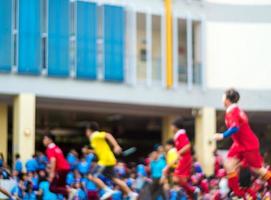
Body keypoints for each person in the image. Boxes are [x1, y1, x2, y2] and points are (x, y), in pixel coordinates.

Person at [214, 88, 271, 197]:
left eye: (223, 96)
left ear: (227, 99)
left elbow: (235, 128)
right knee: (228, 164)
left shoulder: (232, 111)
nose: (222, 99)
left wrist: (222, 135)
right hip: (240, 144)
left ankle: (238, 193)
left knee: (257, 169)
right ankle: (238, 193)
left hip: (248, 145)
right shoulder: (235, 110)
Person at [86, 121, 138, 200]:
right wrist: (89, 151)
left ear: (90, 130)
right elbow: (98, 151)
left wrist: (116, 146)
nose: (86, 133)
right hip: (109, 159)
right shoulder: (94, 139)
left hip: (105, 160)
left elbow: (108, 135)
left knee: (91, 176)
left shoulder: (95, 135)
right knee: (115, 179)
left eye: (86, 131)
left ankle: (107, 190)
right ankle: (131, 194)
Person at [171, 117, 199, 199]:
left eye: (172, 126)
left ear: (176, 126)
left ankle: (193, 190)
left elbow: (188, 146)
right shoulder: (178, 136)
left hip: (185, 159)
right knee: (182, 180)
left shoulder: (181, 135)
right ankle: (191, 194)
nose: (171, 128)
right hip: (183, 159)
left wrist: (178, 153)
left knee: (176, 178)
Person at [42, 133, 75, 199]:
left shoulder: (50, 148)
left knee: (52, 188)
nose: (43, 140)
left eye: (45, 139)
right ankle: (68, 194)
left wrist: (52, 173)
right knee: (61, 187)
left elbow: (53, 160)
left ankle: (70, 191)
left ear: (50, 140)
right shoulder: (56, 148)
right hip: (65, 169)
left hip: (60, 169)